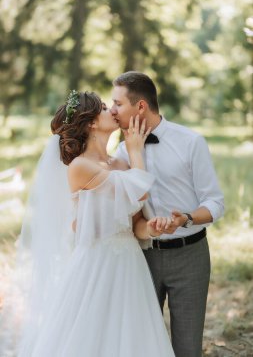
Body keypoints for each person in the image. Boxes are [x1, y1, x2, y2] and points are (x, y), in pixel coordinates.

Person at [5, 90, 175, 357]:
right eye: (106, 107)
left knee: (131, 335)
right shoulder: (79, 167)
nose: (114, 111)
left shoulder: (120, 164)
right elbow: (138, 191)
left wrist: (150, 228)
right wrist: (136, 151)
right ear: (92, 122)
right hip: (97, 263)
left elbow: (135, 223)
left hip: (130, 262)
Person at [111, 71, 225, 357]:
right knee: (142, 344)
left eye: (117, 104)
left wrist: (185, 218)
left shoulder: (191, 142)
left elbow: (215, 202)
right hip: (143, 256)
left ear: (140, 107)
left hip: (191, 255)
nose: (112, 111)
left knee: (187, 347)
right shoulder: (122, 152)